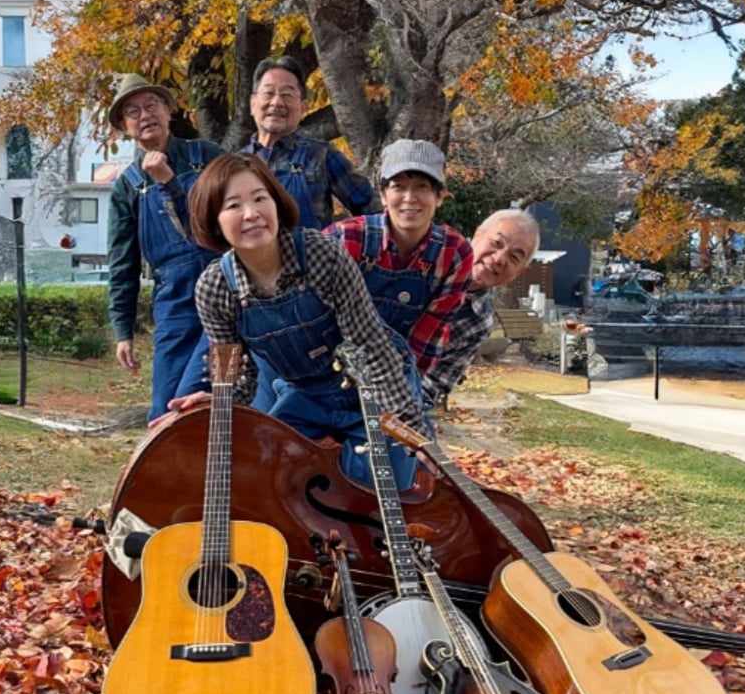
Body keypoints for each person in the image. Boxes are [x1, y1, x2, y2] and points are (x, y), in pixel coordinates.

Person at [166, 152, 425, 492]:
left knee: (379, 486)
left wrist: (402, 422)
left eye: (261, 198)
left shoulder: (321, 253)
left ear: (276, 203)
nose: (251, 214)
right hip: (304, 396)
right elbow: (233, 373)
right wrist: (219, 398)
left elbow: (369, 345)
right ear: (214, 220)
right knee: (271, 480)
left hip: (369, 384)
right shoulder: (214, 288)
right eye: (233, 205)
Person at [103, 73, 224, 422]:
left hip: (224, 288)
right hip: (175, 301)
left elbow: (230, 216)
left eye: (151, 105)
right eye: (133, 111)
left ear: (169, 111)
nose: (144, 115)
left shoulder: (207, 156)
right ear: (125, 127)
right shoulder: (127, 186)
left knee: (206, 396)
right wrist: (122, 331)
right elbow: (122, 263)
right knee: (165, 406)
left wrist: (170, 183)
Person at [327, 140, 476, 389]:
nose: (410, 198)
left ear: (439, 197)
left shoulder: (454, 254)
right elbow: (313, 317)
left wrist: (398, 391)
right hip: (327, 371)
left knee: (414, 427)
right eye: (398, 187)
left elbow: (428, 337)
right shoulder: (344, 239)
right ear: (384, 195)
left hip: (396, 379)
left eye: (422, 187)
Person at [424, 207, 542, 406]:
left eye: (514, 257)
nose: (499, 259)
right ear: (477, 234)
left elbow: (436, 384)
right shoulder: (427, 257)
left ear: (520, 272)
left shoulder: (478, 322)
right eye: (496, 243)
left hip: (394, 404)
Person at [242, 57, 378, 230]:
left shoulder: (321, 155)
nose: (276, 102)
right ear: (252, 104)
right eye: (268, 93)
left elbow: (373, 213)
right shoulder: (235, 165)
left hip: (311, 256)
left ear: (303, 108)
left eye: (287, 95)